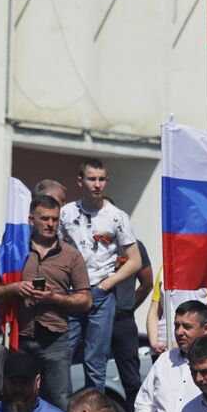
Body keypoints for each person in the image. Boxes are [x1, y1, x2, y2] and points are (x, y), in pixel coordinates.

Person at [0, 193, 91, 409]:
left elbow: (86, 300)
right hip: (20, 336)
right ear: (31, 220)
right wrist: (15, 288)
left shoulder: (71, 255)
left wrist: (55, 298)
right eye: (45, 218)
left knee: (61, 399)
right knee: (15, 398)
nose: (51, 224)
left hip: (56, 338)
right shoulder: (14, 252)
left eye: (55, 219)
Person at [59, 160, 142, 392]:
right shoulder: (66, 213)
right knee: (62, 355)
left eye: (101, 179)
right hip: (72, 292)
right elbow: (54, 249)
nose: (97, 185)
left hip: (101, 293)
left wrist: (108, 283)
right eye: (91, 179)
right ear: (80, 181)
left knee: (95, 361)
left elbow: (135, 261)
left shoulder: (117, 216)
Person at [111, 240, 153, 408]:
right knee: (93, 378)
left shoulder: (133, 246)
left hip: (123, 320)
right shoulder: (86, 240)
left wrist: (127, 306)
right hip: (93, 319)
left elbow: (147, 284)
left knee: (132, 381)